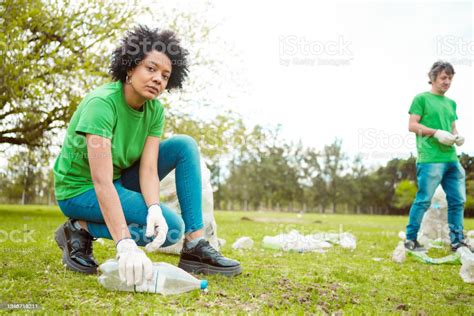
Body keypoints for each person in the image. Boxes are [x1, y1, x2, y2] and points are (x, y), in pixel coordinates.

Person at [53, 25, 241, 286]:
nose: (158, 79)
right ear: (130, 67)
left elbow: (149, 170)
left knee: (184, 145)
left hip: (118, 181)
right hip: (79, 190)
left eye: (165, 75)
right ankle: (79, 228)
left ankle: (196, 244)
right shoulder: (102, 105)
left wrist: (153, 207)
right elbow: (101, 181)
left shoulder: (154, 110)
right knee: (173, 226)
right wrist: (125, 243)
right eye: (150, 69)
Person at [405, 61, 472, 252]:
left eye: (450, 78)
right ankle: (410, 239)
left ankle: (457, 241)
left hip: (451, 158)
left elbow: (452, 127)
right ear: (433, 78)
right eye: (444, 77)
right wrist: (435, 133)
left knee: (457, 200)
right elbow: (412, 125)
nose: (447, 81)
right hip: (430, 158)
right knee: (424, 200)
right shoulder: (421, 99)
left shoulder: (451, 103)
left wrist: (457, 137)